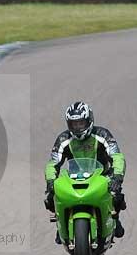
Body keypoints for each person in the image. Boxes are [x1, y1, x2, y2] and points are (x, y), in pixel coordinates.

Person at [44, 101, 127, 241]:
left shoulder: (103, 134)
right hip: (74, 177)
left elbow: (117, 156)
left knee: (117, 196)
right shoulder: (63, 139)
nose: (77, 127)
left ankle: (114, 218)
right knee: (50, 197)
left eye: (80, 123)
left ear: (89, 120)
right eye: (74, 124)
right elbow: (52, 163)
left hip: (102, 176)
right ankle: (61, 224)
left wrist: (117, 177)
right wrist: (51, 181)